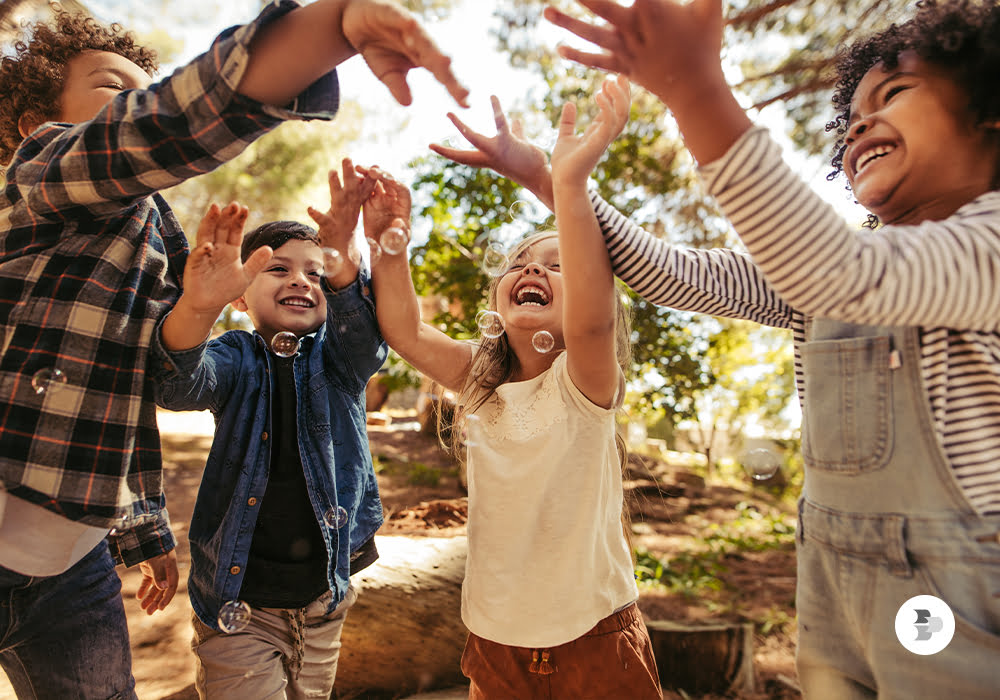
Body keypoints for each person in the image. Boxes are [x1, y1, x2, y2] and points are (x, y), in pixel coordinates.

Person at [432, 0, 1000, 698]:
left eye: (895, 93)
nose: (858, 121)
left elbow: (846, 275)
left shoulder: (989, 242)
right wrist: (553, 181)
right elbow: (676, 271)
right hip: (832, 583)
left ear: (989, 112)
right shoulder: (822, 271)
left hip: (956, 595)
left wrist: (696, 90)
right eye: (851, 112)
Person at [0, 1, 466, 697]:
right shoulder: (41, 177)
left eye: (141, 86)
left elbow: (134, 384)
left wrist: (148, 531)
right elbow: (160, 127)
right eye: (111, 89)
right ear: (36, 125)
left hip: (73, 565)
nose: (133, 101)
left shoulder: (160, 233)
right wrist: (327, 30)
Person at [366, 76, 661, 700]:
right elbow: (406, 330)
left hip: (594, 638)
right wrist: (388, 245)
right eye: (523, 261)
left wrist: (569, 183)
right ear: (499, 299)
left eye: (558, 264)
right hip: (494, 636)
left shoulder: (583, 379)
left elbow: (591, 311)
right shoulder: (481, 380)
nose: (534, 267)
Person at [153, 158, 385, 699]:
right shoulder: (236, 355)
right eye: (278, 269)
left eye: (316, 272)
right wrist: (197, 305)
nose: (301, 280)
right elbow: (178, 385)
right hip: (240, 604)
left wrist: (346, 259)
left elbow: (367, 341)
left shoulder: (338, 360)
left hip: (325, 599)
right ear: (239, 295)